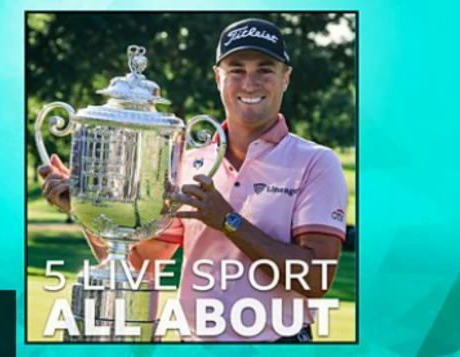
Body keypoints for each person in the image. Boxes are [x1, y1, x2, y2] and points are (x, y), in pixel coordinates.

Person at [39, 18, 348, 342]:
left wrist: (228, 220)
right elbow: (139, 264)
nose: (250, 83)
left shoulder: (316, 161)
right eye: (237, 70)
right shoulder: (188, 163)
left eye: (265, 70)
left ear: (285, 78)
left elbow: (315, 277)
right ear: (218, 78)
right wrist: (86, 211)